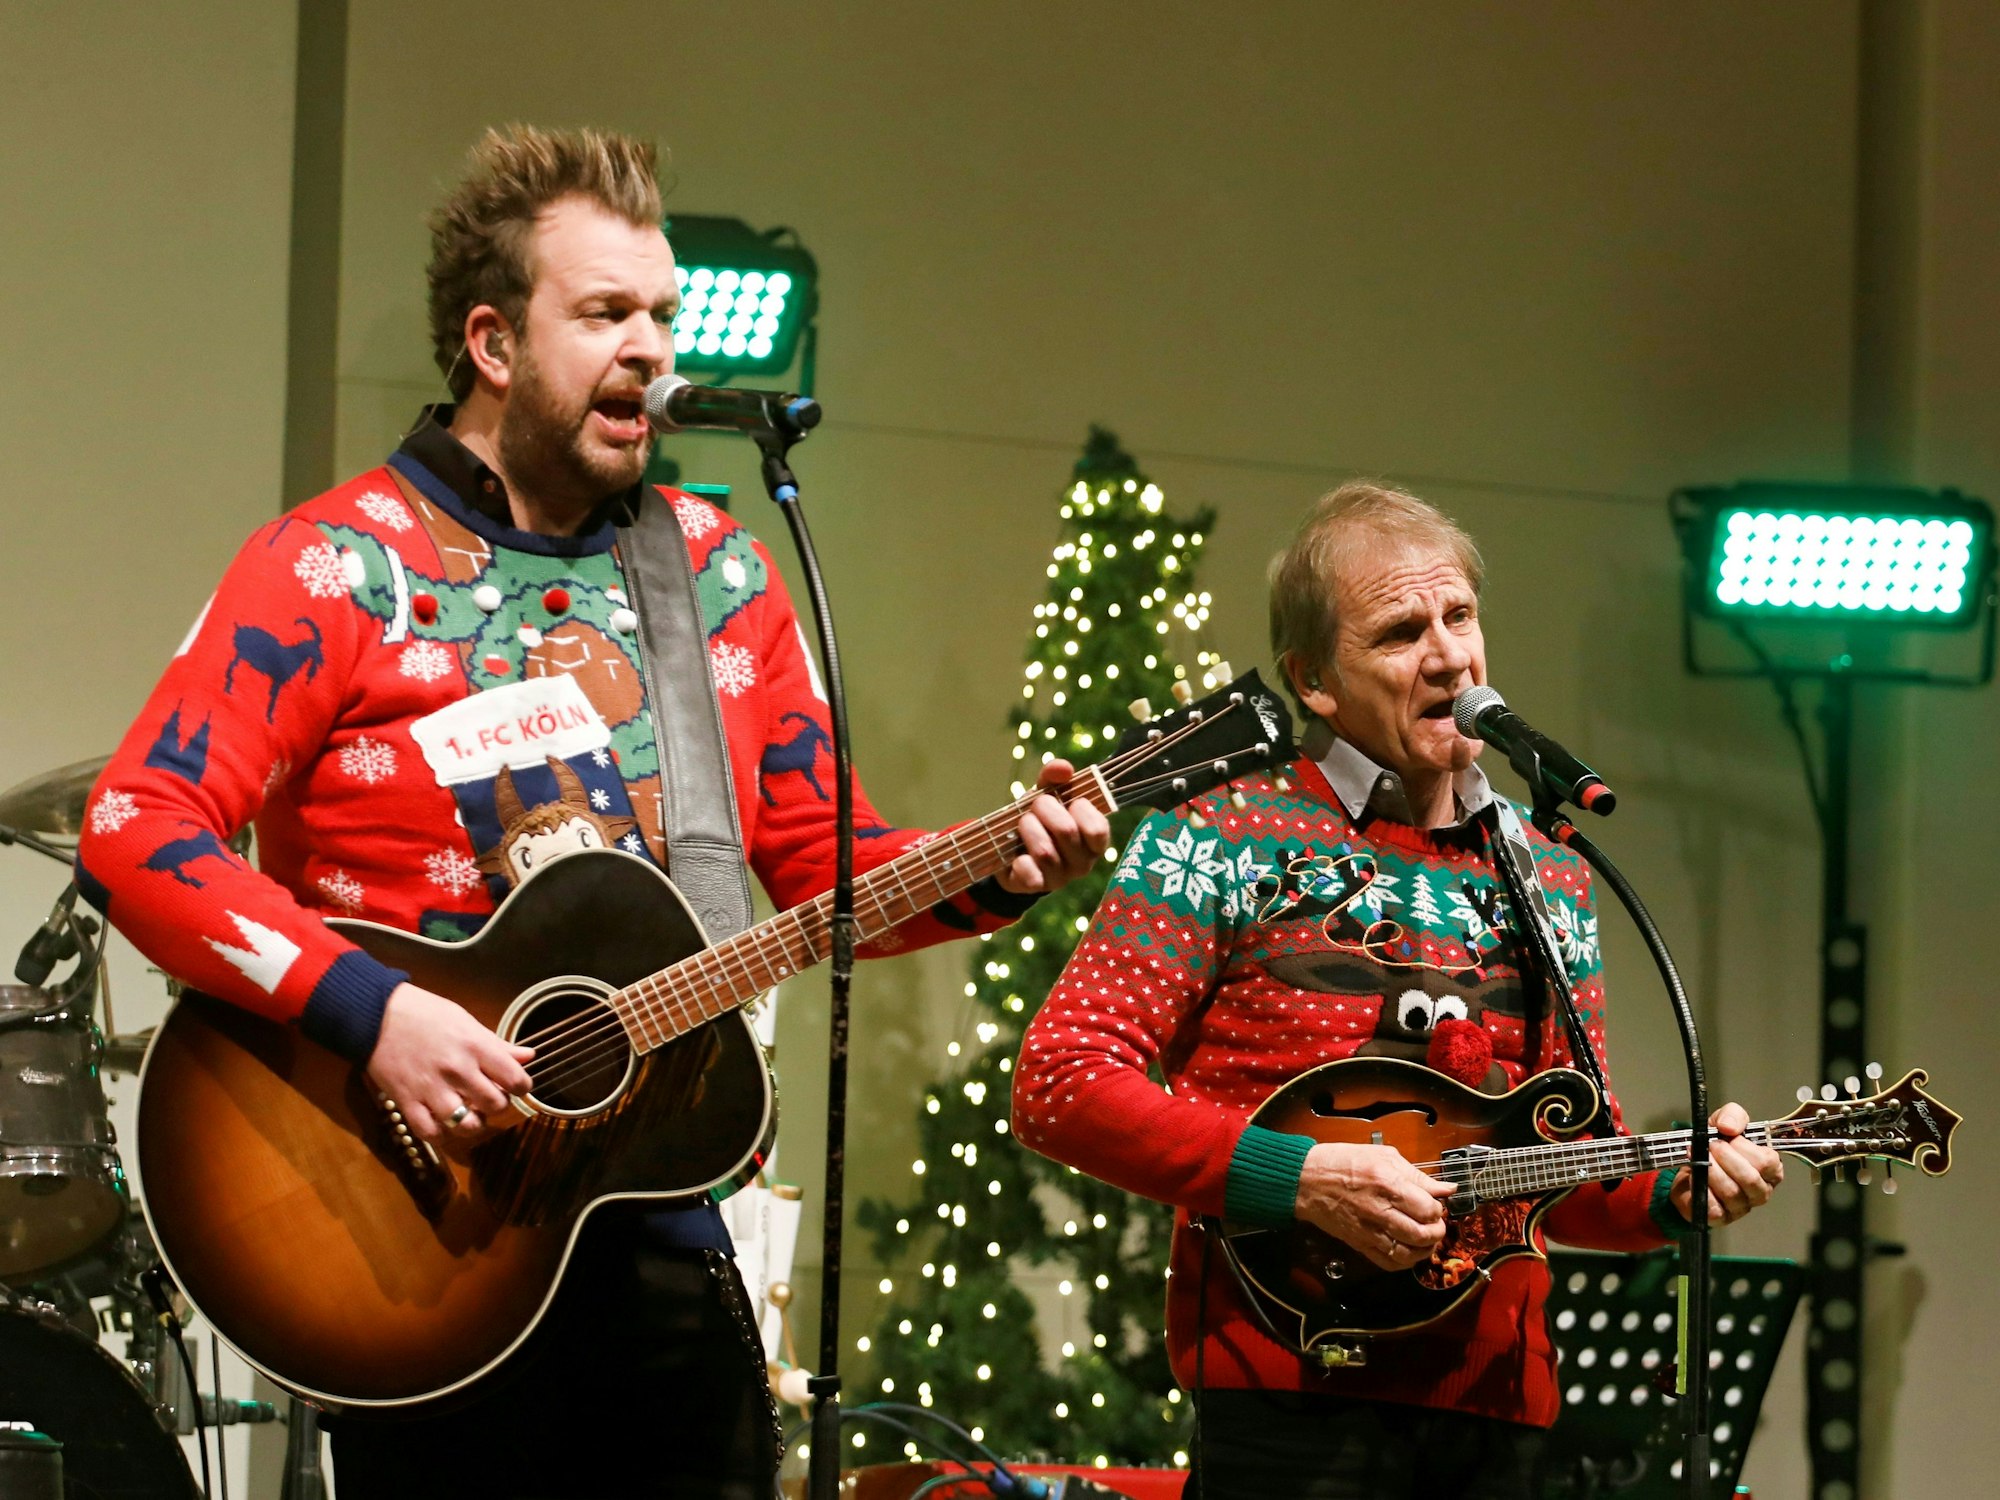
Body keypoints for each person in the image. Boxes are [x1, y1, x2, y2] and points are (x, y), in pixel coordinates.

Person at [76, 125, 1108, 1499]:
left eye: (664, 315)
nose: (653, 350)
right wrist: (374, 1015)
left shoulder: (713, 571)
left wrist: (1007, 865)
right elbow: (137, 826)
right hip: (409, 1237)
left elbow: (829, 870)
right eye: (607, 313)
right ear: (494, 344)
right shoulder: (336, 562)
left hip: (656, 1207)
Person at [1011, 483, 1782, 1499]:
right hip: (1290, 1402)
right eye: (1397, 631)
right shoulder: (1223, 830)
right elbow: (1058, 1083)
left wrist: (1673, 1191)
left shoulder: (1546, 865)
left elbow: (1554, 1168)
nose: (1448, 655)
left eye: (1458, 616)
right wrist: (1297, 1178)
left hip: (1499, 1415)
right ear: (1312, 680)